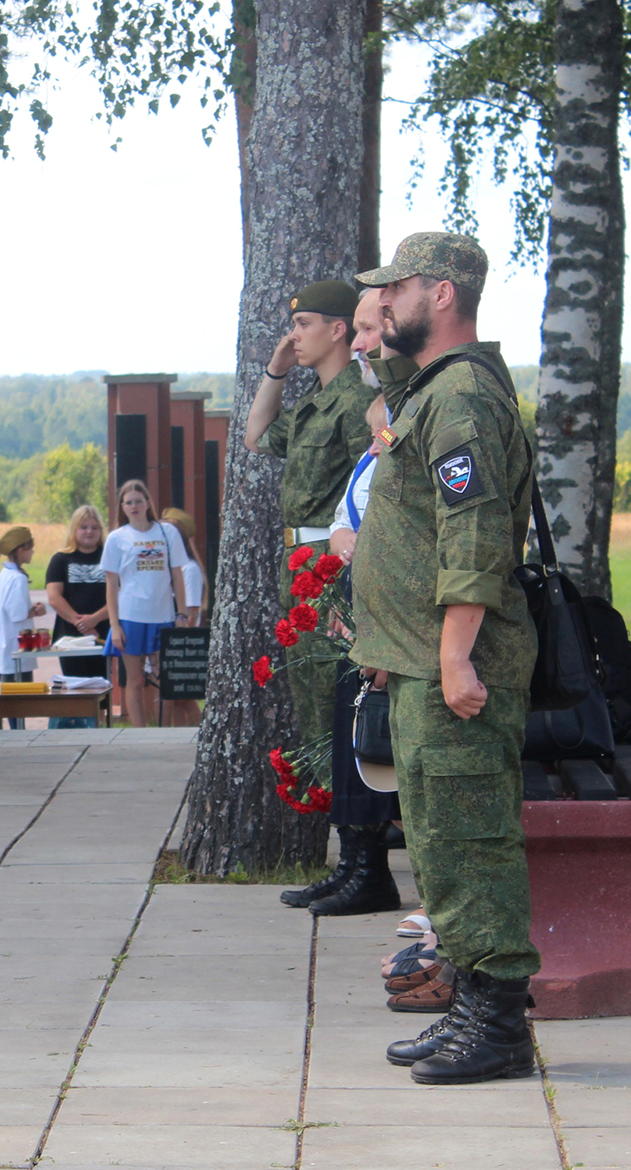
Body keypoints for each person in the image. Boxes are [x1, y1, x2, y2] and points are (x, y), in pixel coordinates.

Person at [350, 231, 539, 1085]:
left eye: (396, 291)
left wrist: (457, 655)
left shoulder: (461, 398)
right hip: (423, 662)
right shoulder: (436, 392)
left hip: (454, 667)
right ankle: (467, 1002)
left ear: (444, 294)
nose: (382, 305)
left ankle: (497, 1023)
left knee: (472, 838)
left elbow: (474, 537)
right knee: (440, 838)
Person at [245, 279, 387, 918]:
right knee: (315, 717)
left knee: (344, 715)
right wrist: (273, 372)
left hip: (335, 570)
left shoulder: (360, 400)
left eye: (302, 324)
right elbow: (254, 435)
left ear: (337, 330)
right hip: (300, 564)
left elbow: (375, 493)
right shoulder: (314, 402)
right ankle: (348, 862)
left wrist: (350, 586)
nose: (292, 334)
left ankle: (369, 864)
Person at [102, 478, 191, 726]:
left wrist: (181, 614)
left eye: (138, 501)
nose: (134, 506)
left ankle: (162, 729)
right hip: (130, 616)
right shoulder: (117, 538)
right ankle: (139, 732)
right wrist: (115, 625)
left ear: (148, 503)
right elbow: (111, 584)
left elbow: (177, 575)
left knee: (164, 678)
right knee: (135, 680)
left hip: (162, 616)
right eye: (128, 502)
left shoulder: (167, 532)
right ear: (122, 506)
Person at [44, 505, 111, 731]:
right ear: (74, 529)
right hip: (69, 639)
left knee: (101, 686)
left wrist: (95, 619)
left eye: (94, 527)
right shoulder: (60, 559)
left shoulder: (109, 557)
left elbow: (119, 594)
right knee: (76, 687)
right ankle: (78, 732)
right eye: (83, 527)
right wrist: (79, 621)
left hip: (104, 635)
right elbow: (54, 597)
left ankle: (99, 729)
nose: (89, 532)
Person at [0, 525, 47, 727]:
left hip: (5, 644)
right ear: (21, 550)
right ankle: (17, 730)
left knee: (11, 692)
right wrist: (37, 610)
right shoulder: (18, 578)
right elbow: (18, 613)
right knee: (18, 695)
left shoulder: (4, 575)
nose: (33, 552)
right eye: (30, 548)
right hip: (15, 646)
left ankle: (15, 728)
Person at [159, 508, 207, 727]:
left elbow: (193, 609)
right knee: (174, 697)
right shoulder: (167, 567)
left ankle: (201, 731)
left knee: (185, 698)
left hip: (183, 640)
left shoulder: (190, 569)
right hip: (170, 637)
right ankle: (175, 734)